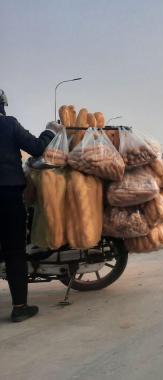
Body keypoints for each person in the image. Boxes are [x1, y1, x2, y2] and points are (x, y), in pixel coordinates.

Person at [0, 89, 62, 322]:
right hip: (7, 194)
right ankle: (20, 307)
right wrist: (50, 131)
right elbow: (36, 148)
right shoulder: (8, 124)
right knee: (15, 251)